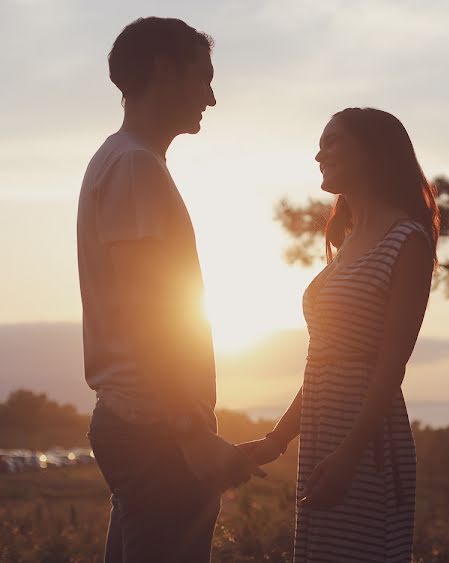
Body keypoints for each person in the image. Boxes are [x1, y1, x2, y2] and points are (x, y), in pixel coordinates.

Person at [77, 17, 261, 563]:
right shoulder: (134, 166)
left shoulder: (121, 159)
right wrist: (190, 431)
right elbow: (147, 312)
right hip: (153, 426)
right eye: (203, 77)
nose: (211, 96)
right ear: (163, 70)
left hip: (142, 421)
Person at [239, 107, 440, 562]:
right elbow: (325, 359)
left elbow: (391, 364)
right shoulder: (347, 242)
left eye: (332, 142)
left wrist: (352, 453)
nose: (318, 154)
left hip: (366, 441)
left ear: (371, 153)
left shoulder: (407, 240)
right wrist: (278, 438)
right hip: (322, 432)